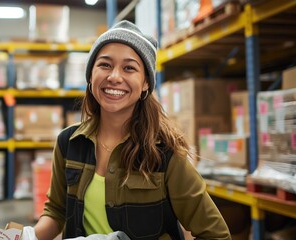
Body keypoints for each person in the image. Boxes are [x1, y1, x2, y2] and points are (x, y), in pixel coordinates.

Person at [24, 20, 231, 240]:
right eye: (104, 64)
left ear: (145, 84)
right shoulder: (69, 142)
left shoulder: (165, 153)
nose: (114, 76)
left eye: (129, 68)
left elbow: (215, 234)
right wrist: (27, 236)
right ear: (90, 75)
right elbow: (57, 210)